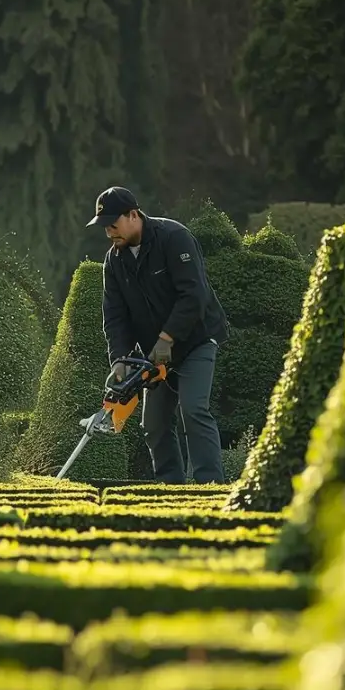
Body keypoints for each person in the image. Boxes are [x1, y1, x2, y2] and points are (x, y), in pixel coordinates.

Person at [88, 185, 230, 484]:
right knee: (153, 424)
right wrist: (120, 359)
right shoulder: (114, 261)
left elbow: (194, 295)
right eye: (104, 226)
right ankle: (170, 487)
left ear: (133, 215)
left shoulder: (174, 237)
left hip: (196, 341)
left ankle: (210, 486)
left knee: (193, 410)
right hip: (154, 353)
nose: (109, 232)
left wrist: (167, 338)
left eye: (113, 223)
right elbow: (115, 316)